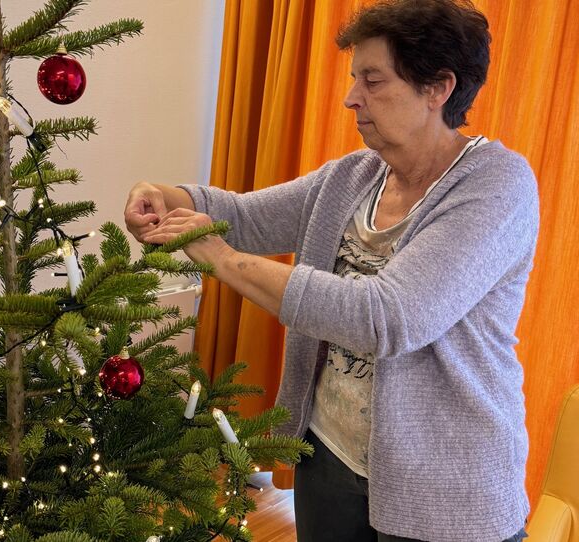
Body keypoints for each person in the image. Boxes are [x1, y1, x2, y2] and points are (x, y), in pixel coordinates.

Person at [124, 1, 538, 541]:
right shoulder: (355, 175)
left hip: (446, 487)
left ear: (437, 88)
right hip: (330, 458)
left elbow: (388, 316)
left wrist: (223, 260)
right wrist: (162, 193)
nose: (351, 97)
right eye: (353, 78)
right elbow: (245, 215)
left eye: (373, 79)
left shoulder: (495, 185)